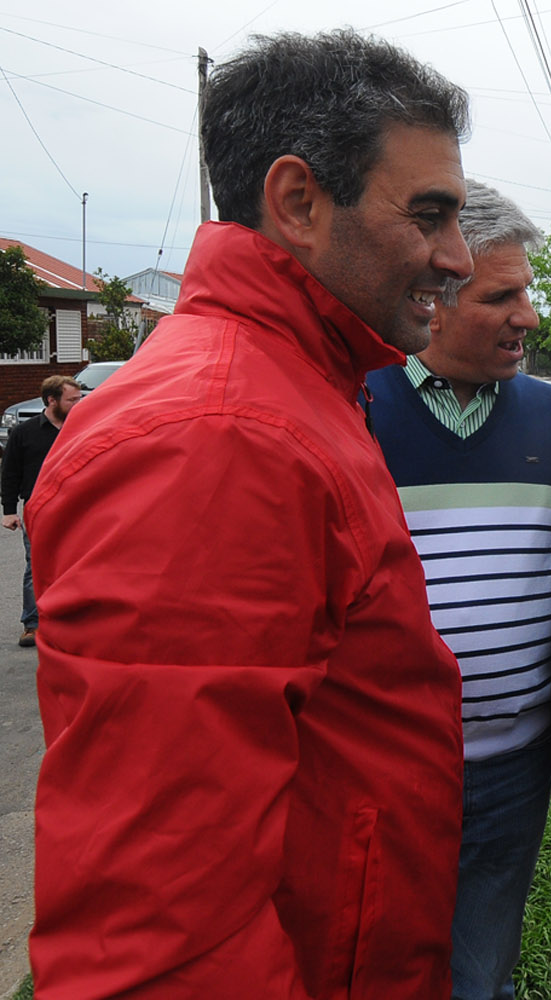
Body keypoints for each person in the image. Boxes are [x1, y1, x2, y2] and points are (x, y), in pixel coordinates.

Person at [26, 31, 474, 998]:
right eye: (430, 213)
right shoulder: (221, 436)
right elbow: (156, 932)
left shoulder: (290, 389)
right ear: (299, 203)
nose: (458, 256)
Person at [367, 178, 551, 1000]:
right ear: (435, 301)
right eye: (504, 296)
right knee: (382, 968)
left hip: (513, 772)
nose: (529, 317)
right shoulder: (355, 405)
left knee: (478, 970)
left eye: (526, 292)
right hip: (382, 775)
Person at [1, 375, 81, 647]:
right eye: (72, 400)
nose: (77, 404)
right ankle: (32, 624)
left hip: (76, 506)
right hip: (39, 508)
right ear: (51, 400)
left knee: (75, 564)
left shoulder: (81, 428)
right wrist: (9, 510)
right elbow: (9, 473)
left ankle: (70, 621)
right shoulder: (24, 433)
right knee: (35, 566)